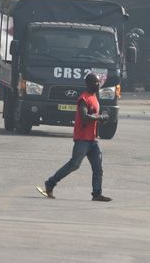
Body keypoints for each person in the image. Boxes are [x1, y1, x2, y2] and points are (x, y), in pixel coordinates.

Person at [37, 72, 112, 202]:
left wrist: (103, 118)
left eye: (98, 82)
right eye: (95, 82)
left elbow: (95, 117)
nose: (97, 84)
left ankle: (97, 194)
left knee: (98, 169)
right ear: (88, 84)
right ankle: (50, 183)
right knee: (74, 164)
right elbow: (84, 117)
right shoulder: (83, 99)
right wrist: (100, 117)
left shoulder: (95, 97)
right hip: (82, 139)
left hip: (93, 140)